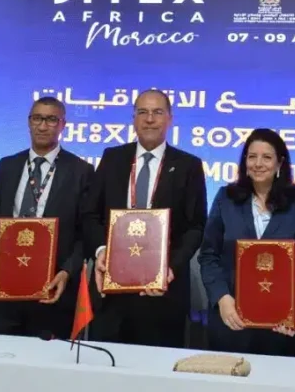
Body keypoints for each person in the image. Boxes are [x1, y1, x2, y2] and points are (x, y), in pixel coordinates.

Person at [86, 89, 207, 347]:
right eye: (142, 112)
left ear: (170, 119)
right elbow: (90, 214)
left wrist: (170, 267)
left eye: (157, 112)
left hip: (163, 294)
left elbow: (196, 226)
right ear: (133, 119)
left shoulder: (189, 166)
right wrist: (101, 250)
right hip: (111, 291)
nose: (149, 119)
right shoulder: (112, 158)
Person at [0, 97, 94, 338]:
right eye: (37, 118)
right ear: (29, 122)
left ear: (62, 125)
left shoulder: (80, 170)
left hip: (53, 288)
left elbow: (85, 231)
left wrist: (67, 271)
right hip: (6, 285)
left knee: (49, 358)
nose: (43, 126)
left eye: (51, 119)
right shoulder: (8, 166)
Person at [198, 128, 295, 356]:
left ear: (280, 163)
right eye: (252, 157)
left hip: (281, 324)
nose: (258, 164)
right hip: (231, 318)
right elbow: (209, 255)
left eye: (267, 157)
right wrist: (222, 298)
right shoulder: (226, 198)